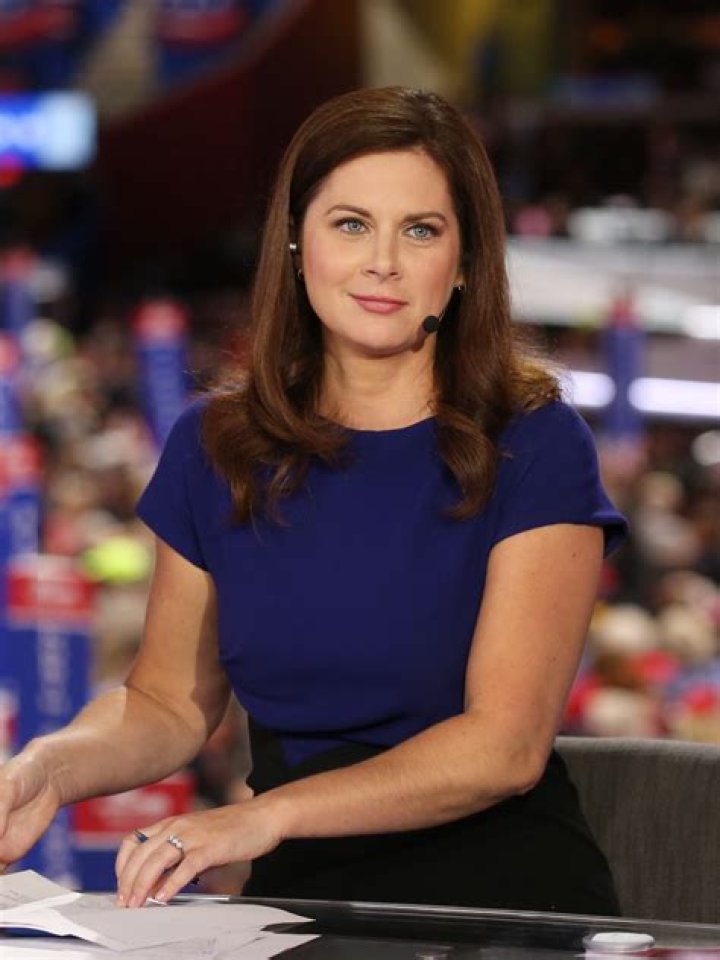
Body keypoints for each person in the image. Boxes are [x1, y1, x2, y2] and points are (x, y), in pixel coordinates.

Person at [0, 86, 627, 914]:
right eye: (351, 224)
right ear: (296, 243)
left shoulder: (535, 442)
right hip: (296, 906)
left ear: (466, 262)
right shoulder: (215, 443)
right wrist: (48, 767)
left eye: (421, 230)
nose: (383, 262)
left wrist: (264, 816)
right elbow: (165, 704)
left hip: (500, 908)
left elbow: (503, 748)